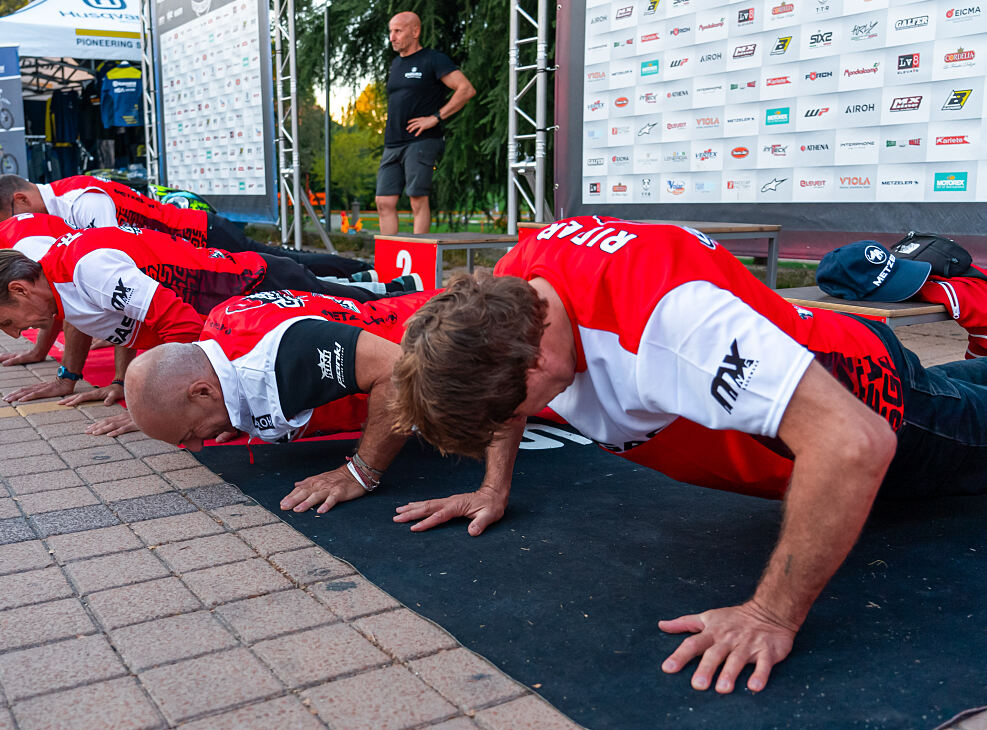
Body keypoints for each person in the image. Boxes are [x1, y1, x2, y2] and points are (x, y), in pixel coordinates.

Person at [390, 216, 987, 695]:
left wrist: (769, 616)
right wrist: (494, 488)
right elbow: (504, 390)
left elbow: (856, 444)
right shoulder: (514, 289)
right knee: (961, 395)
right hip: (807, 377)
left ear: (537, 361)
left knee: (959, 426)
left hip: (873, 401)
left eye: (513, 409)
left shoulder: (668, 327)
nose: (512, 423)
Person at [0, 216, 421, 435]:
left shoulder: (88, 269)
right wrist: (120, 382)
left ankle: (416, 292)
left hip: (250, 283)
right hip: (241, 303)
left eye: (6, 322)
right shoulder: (55, 280)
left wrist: (154, 406)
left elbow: (181, 325)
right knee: (363, 305)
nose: (14, 332)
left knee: (372, 311)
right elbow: (131, 327)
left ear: (20, 289)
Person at [126, 289, 447, 511]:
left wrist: (360, 473)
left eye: (189, 434)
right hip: (421, 318)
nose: (197, 447)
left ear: (202, 392)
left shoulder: (277, 356)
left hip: (455, 343)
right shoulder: (218, 332)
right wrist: (232, 415)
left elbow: (399, 373)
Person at [0, 174, 375, 279]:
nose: (22, 230)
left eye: (15, 221)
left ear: (21, 201)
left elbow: (118, 259)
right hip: (192, 235)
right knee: (285, 262)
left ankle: (364, 274)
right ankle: (363, 274)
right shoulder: (66, 196)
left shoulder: (81, 202)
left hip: (201, 233)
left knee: (284, 264)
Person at [376, 11, 475, 237]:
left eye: (398, 31)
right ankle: (388, 260)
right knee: (383, 202)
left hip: (421, 141)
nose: (392, 37)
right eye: (390, 31)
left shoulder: (433, 60)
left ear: (415, 31)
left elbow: (466, 89)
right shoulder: (396, 64)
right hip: (392, 143)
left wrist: (436, 117)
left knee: (417, 199)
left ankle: (419, 261)